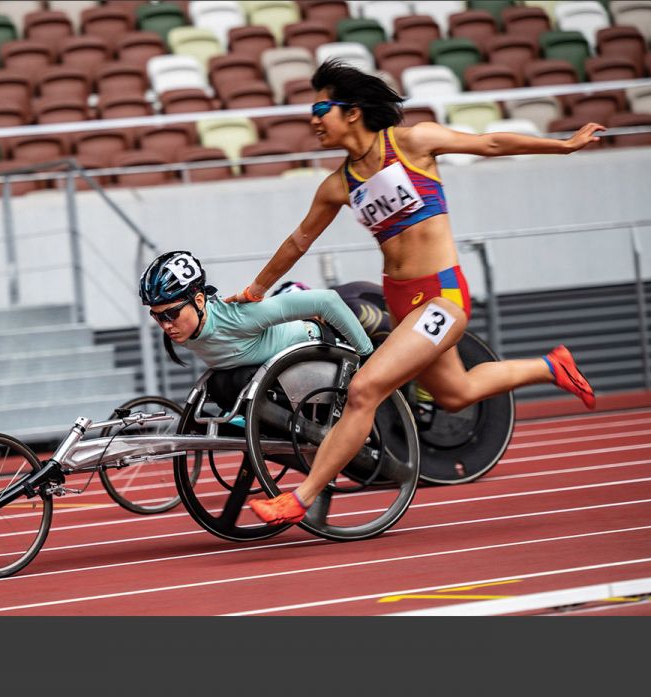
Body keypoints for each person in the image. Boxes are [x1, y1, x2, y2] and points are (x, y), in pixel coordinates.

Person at [222, 60, 601, 526]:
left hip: (442, 294)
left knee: (365, 389)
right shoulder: (338, 185)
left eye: (322, 107)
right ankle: (551, 366)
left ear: (354, 111)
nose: (314, 120)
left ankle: (299, 498)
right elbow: (301, 240)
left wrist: (563, 146)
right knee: (456, 393)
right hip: (401, 300)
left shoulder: (413, 142)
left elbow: (490, 142)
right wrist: (256, 289)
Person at [139, 250, 374, 375]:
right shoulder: (183, 330)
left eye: (170, 314)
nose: (165, 325)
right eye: (157, 317)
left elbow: (327, 300)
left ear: (199, 301)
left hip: (316, 349)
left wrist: (368, 358)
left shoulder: (238, 316)